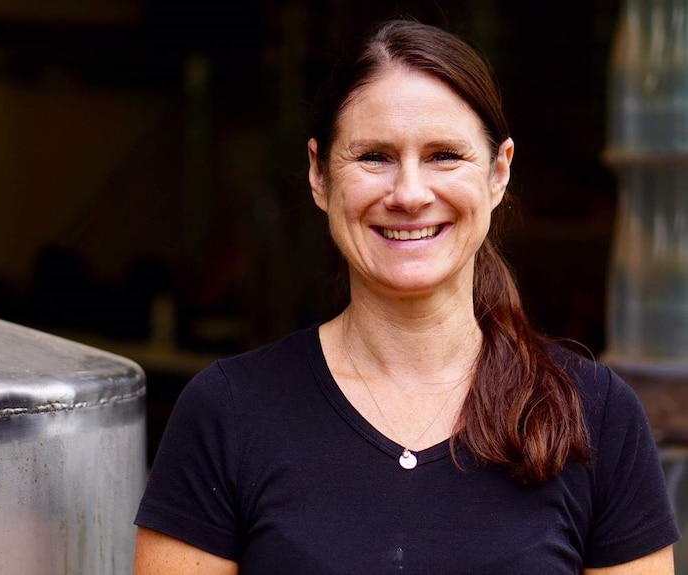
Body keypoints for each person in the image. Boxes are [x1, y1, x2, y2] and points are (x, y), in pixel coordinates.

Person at [133, 17, 681, 574]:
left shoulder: (596, 415)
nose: (410, 194)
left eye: (445, 155)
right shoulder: (228, 412)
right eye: (375, 156)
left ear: (498, 173)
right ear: (320, 176)